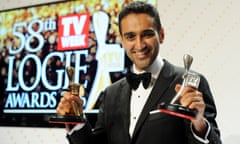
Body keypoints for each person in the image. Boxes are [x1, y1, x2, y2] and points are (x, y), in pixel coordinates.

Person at [57, 1, 221, 144]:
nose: (140, 44)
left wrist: (199, 123)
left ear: (161, 35)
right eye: (130, 37)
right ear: (121, 41)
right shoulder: (110, 93)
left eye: (147, 34)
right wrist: (76, 122)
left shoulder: (192, 83)